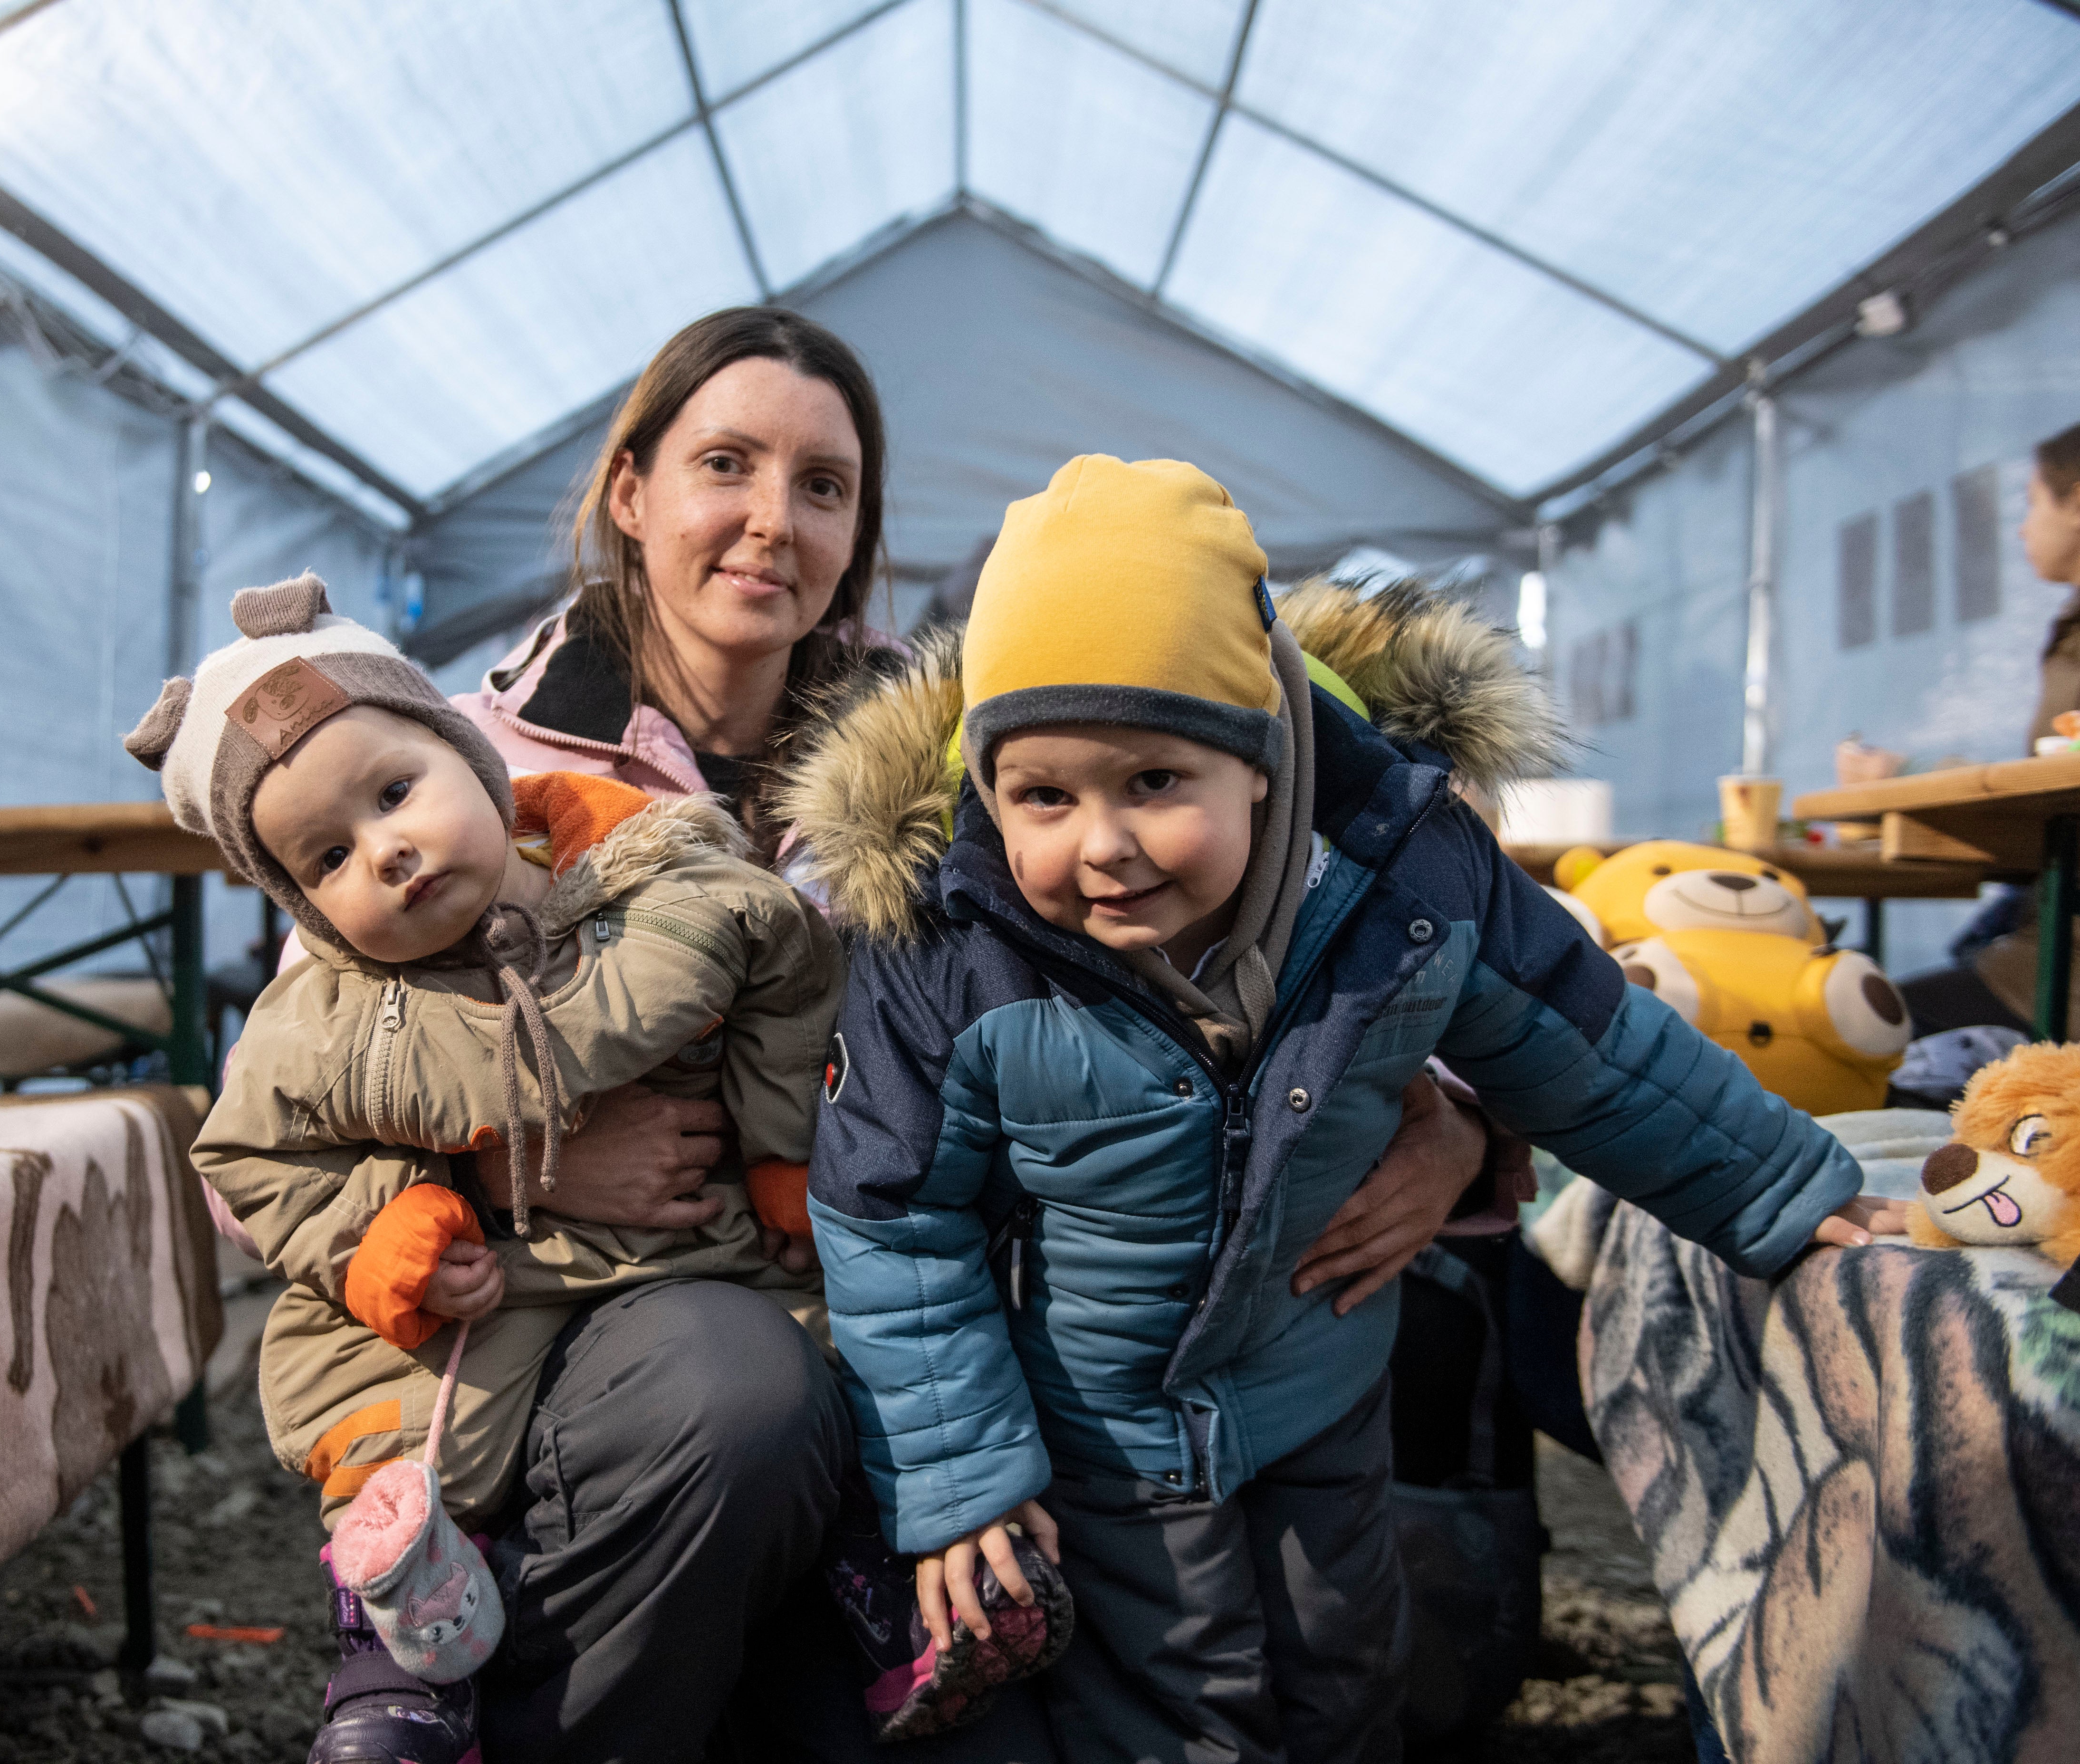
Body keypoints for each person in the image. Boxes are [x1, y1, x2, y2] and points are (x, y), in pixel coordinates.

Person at [263, 307, 1487, 1761]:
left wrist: (1452, 1107)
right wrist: (511, 1169)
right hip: (618, 1356)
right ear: (632, 492)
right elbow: (283, 1115)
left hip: (922, 1358)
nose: (773, 522)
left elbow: (1278, 890)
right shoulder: (449, 769)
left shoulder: (958, 751)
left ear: (861, 532)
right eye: (728, 464)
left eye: (825, 486)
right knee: (735, 1393)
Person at [795, 454, 1901, 1761]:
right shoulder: (952, 948)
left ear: (1264, 757)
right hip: (1104, 1437)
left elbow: (1594, 1050)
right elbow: (891, 1216)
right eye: (1044, 793)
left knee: (1348, 1675)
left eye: (1154, 782)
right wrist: (965, 1483)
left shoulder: (1403, 883)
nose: (1102, 843)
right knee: (1174, 1711)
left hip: (1320, 1392)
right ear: (986, 786)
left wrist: (1790, 1196)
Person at [124, 577, 850, 1761]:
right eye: (332, 855)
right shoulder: (335, 1011)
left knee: (809, 1354)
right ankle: (395, 1654)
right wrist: (396, 1222)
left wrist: (780, 1150)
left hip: (689, 1256)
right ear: (303, 904)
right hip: (487, 1286)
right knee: (407, 1432)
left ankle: (847, 1570)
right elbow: (248, 1153)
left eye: (397, 794)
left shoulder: (644, 878)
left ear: (472, 758)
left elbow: (788, 974)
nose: (390, 850)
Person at [1898, 420, 2080, 1039]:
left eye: (2032, 503)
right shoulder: (2068, 626)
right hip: (2037, 938)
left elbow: (2053, 784)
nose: (2023, 527)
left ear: (2077, 502)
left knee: (1860, 1034)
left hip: (2059, 969)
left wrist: (1910, 779)